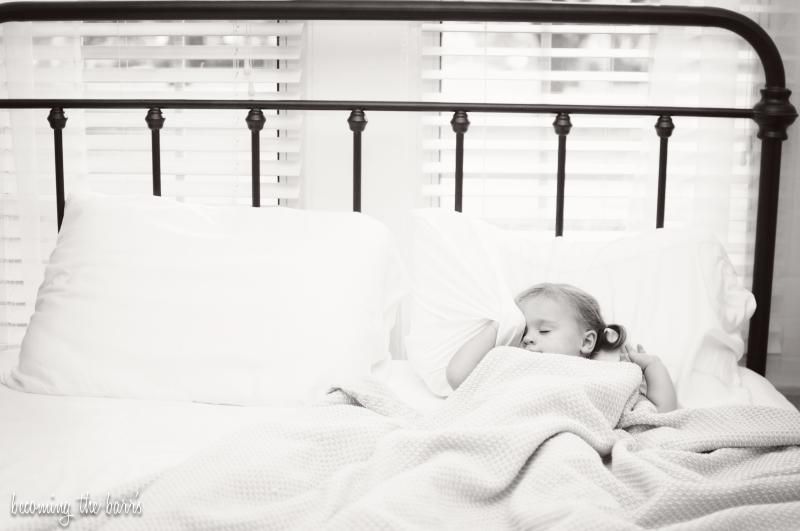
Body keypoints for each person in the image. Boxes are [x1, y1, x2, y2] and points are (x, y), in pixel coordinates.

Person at [446, 282, 678, 413]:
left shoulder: (607, 375)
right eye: (523, 332)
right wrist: (498, 327)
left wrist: (652, 366)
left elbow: (661, 414)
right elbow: (458, 376)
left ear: (586, 342)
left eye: (544, 331)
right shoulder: (514, 364)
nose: (528, 339)